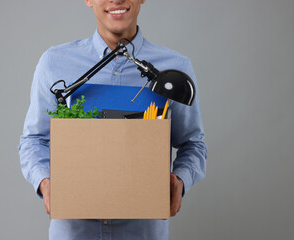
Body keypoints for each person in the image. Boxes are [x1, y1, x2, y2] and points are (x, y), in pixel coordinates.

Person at [19, 0, 207, 239]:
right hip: (75, 230)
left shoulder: (175, 68)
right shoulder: (55, 63)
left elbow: (193, 143)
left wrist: (180, 179)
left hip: (143, 230)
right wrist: (45, 183)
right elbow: (33, 139)